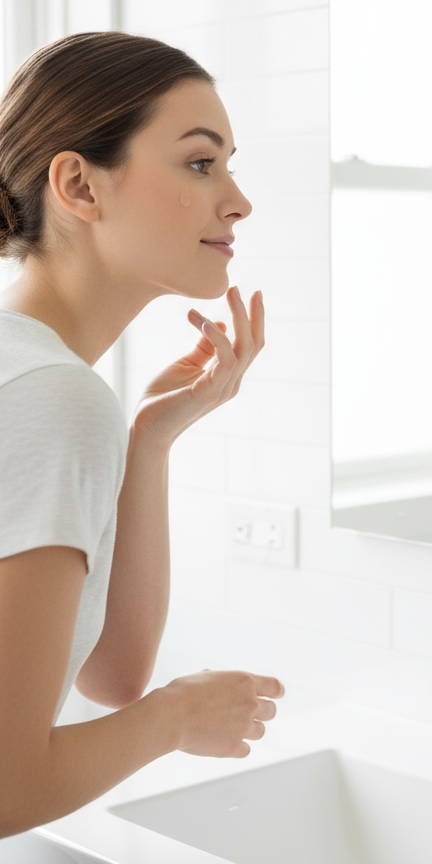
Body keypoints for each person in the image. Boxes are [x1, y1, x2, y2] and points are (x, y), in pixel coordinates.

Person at [0, 32, 284, 837]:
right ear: (79, 185)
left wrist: (148, 443)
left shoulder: (34, 378)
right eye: (201, 163)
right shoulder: (51, 395)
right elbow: (7, 787)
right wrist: (180, 719)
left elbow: (111, 675)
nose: (238, 200)